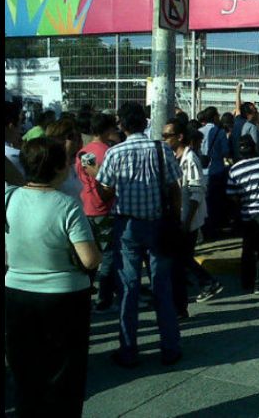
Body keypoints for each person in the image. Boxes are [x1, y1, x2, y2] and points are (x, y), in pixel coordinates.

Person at [5, 137, 102, 417]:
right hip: (65, 297)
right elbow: (89, 259)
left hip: (17, 292)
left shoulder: (9, 197)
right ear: (61, 167)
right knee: (64, 374)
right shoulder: (68, 206)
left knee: (24, 370)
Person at [86, 102, 184, 367]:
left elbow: (105, 192)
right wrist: (175, 217)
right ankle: (170, 348)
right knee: (162, 287)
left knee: (128, 289)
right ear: (144, 122)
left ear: (122, 124)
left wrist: (98, 177)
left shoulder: (115, 153)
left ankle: (128, 351)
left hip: (127, 227)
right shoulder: (161, 149)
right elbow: (174, 188)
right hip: (159, 225)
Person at [162, 119, 222, 317]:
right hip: (179, 217)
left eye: (167, 136)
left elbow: (196, 192)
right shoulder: (173, 157)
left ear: (179, 137)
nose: (164, 139)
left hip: (188, 219)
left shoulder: (191, 159)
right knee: (181, 260)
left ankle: (207, 282)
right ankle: (186, 299)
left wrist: (186, 222)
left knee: (181, 259)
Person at [75, 112, 120, 313]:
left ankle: (84, 291)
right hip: (105, 208)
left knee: (90, 255)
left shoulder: (83, 152)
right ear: (108, 129)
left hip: (86, 206)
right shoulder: (108, 152)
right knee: (109, 254)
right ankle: (104, 297)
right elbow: (108, 181)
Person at [226, 134, 259, 293]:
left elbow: (231, 194)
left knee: (248, 249)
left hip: (247, 214)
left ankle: (247, 281)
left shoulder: (235, 170)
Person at [199, 106, 231, 241]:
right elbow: (225, 151)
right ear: (214, 117)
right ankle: (214, 230)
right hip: (216, 170)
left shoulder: (199, 131)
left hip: (202, 171)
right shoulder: (220, 132)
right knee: (215, 202)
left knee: (203, 202)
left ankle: (204, 229)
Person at [45, 118, 84, 206]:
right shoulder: (51, 168)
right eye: (71, 136)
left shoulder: (72, 165)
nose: (75, 140)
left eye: (76, 136)